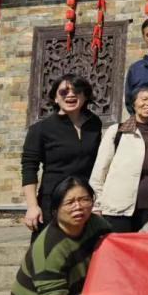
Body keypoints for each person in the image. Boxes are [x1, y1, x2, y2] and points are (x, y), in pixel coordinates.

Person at [21, 75, 103, 232]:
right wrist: (32, 206)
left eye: (76, 91)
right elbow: (29, 168)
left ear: (85, 96)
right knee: (51, 246)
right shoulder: (41, 129)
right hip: (54, 201)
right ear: (55, 98)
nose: (70, 95)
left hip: (84, 201)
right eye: (64, 92)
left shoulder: (94, 124)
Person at [89, 83, 148, 232]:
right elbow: (99, 173)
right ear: (134, 102)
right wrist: (97, 205)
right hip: (116, 210)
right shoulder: (117, 132)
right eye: (144, 99)